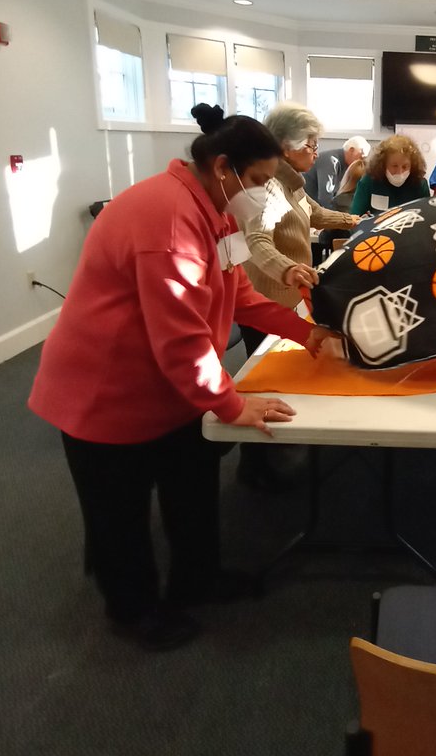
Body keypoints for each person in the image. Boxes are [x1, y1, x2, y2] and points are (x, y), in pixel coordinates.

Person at [28, 104, 334, 651]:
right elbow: (181, 339)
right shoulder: (168, 221)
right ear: (224, 168)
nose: (265, 191)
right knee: (119, 514)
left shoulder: (211, 211)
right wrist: (232, 404)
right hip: (107, 391)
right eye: (260, 180)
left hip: (169, 389)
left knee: (191, 482)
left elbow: (236, 291)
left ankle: (199, 577)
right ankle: (134, 611)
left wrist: (301, 330)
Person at [238, 101, 359, 488]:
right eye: (311, 144)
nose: (316, 151)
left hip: (290, 298)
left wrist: (360, 220)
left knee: (278, 380)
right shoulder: (270, 187)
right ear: (286, 146)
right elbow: (256, 240)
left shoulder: (290, 185)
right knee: (263, 383)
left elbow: (317, 214)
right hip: (269, 299)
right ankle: (257, 468)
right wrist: (287, 269)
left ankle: (267, 461)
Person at [349, 134, 430, 216]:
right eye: (394, 166)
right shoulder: (369, 181)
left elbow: (427, 218)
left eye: (405, 167)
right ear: (383, 164)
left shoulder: (420, 184)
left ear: (412, 165)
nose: (399, 172)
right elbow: (355, 217)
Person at [303, 135, 371, 209]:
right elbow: (325, 198)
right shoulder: (330, 161)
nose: (361, 162)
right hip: (306, 206)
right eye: (361, 157)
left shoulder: (344, 163)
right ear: (351, 150)